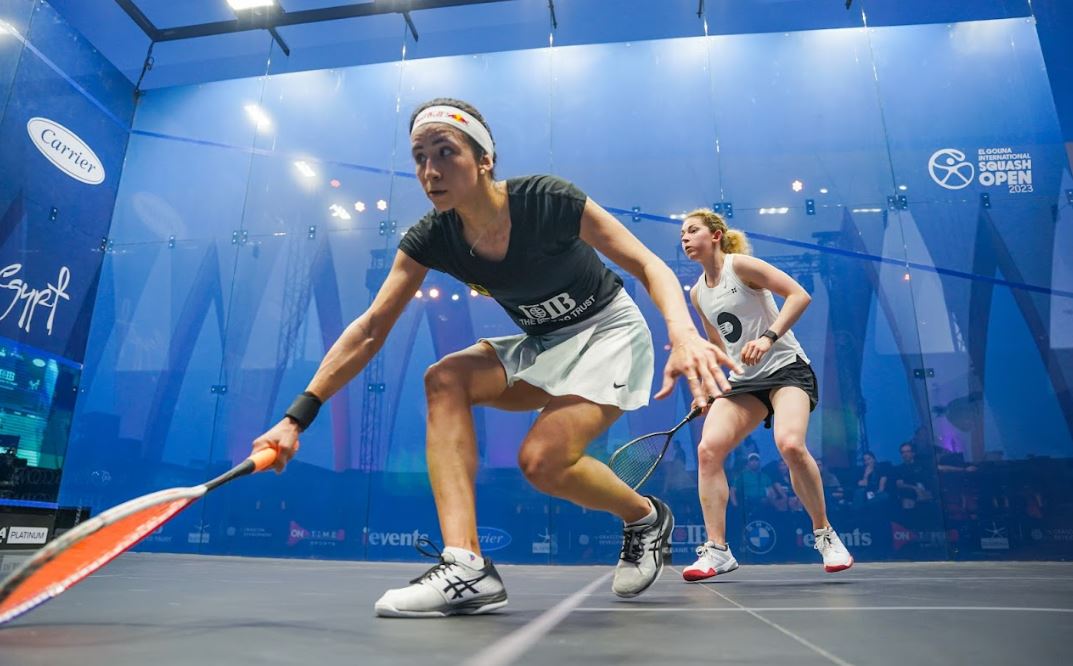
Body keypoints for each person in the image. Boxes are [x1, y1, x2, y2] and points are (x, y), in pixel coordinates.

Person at [251, 99, 739, 617]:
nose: (430, 170)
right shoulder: (432, 238)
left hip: (611, 333)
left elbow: (646, 263)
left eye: (445, 152)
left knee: (541, 462)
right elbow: (370, 330)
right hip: (544, 342)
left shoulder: (548, 201)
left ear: (484, 160)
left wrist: (683, 333)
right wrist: (295, 418)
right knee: (445, 378)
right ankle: (466, 566)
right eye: (419, 157)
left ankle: (644, 517)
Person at [677, 208, 853, 582]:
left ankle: (824, 534)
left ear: (715, 235)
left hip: (787, 369)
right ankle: (718, 551)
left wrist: (768, 337)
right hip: (744, 381)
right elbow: (717, 344)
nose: (685, 238)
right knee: (708, 450)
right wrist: (708, 388)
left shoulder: (740, 266)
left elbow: (799, 295)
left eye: (692, 230)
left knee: (790, 444)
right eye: (682, 234)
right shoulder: (697, 293)